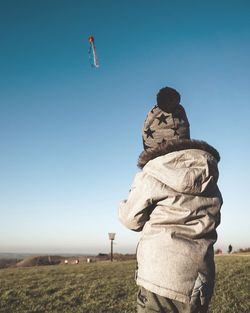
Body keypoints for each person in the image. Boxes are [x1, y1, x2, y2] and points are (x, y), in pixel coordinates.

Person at [118, 87, 223, 313]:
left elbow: (131, 220)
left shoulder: (152, 173)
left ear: (149, 142)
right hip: (199, 280)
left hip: (160, 277)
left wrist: (123, 204)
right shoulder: (208, 173)